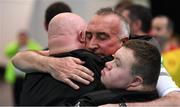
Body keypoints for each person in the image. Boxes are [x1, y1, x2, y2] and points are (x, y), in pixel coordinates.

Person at [12, 8, 180, 106]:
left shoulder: (144, 62)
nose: (91, 44)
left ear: (124, 42)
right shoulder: (78, 55)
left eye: (102, 37)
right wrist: (49, 63)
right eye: (88, 36)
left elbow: (176, 100)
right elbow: (19, 58)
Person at [20, 13, 107, 105]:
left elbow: (18, 59)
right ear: (82, 36)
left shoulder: (31, 69)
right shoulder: (92, 62)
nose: (92, 43)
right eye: (88, 35)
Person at [76, 40, 161, 106]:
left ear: (135, 81)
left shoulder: (92, 102)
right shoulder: (160, 97)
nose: (107, 64)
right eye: (113, 58)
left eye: (117, 64)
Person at [4, 30, 42, 105]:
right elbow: (7, 52)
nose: (22, 38)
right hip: (16, 76)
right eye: (21, 37)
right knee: (16, 95)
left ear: (27, 37)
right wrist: (18, 45)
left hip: (27, 76)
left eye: (24, 37)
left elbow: (40, 53)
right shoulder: (15, 45)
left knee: (26, 95)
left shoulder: (33, 45)